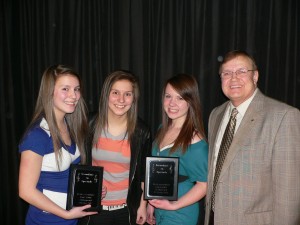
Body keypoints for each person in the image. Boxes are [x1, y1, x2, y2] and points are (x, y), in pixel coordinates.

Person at [205, 50, 300, 225]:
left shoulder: (283, 116)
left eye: (241, 71)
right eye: (226, 73)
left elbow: (289, 194)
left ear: (255, 76)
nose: (233, 78)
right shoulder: (215, 115)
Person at [18, 65, 97, 225]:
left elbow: (69, 175)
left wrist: (90, 190)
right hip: (45, 221)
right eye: (65, 89)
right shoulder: (37, 135)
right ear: (49, 92)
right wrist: (65, 214)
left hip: (70, 221)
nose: (73, 96)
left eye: (76, 89)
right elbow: (25, 191)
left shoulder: (70, 126)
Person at [78, 70, 152, 225]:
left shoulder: (141, 131)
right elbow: (78, 165)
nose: (121, 99)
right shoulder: (89, 124)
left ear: (134, 98)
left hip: (126, 210)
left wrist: (143, 206)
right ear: (106, 95)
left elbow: (145, 175)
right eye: (115, 92)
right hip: (95, 210)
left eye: (128, 94)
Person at [147, 74, 208, 225]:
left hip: (180, 213)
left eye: (180, 98)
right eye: (168, 96)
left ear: (190, 102)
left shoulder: (195, 141)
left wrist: (174, 205)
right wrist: (150, 204)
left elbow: (204, 184)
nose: (172, 103)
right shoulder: (163, 129)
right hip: (160, 208)